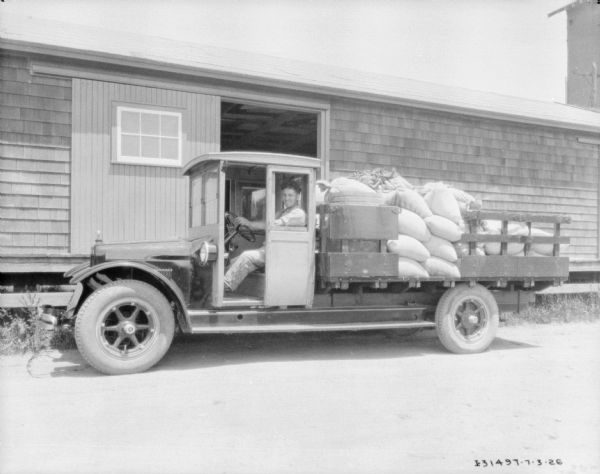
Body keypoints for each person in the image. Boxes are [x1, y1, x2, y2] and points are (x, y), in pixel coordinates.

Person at [224, 180, 306, 293]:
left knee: (246, 257)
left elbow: (271, 225)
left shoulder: (298, 214)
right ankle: (224, 285)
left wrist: (250, 224)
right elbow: (267, 224)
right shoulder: (281, 212)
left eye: (290, 195)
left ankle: (226, 286)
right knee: (233, 261)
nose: (287, 198)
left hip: (282, 253)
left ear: (298, 196)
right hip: (270, 250)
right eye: (285, 195)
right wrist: (249, 226)